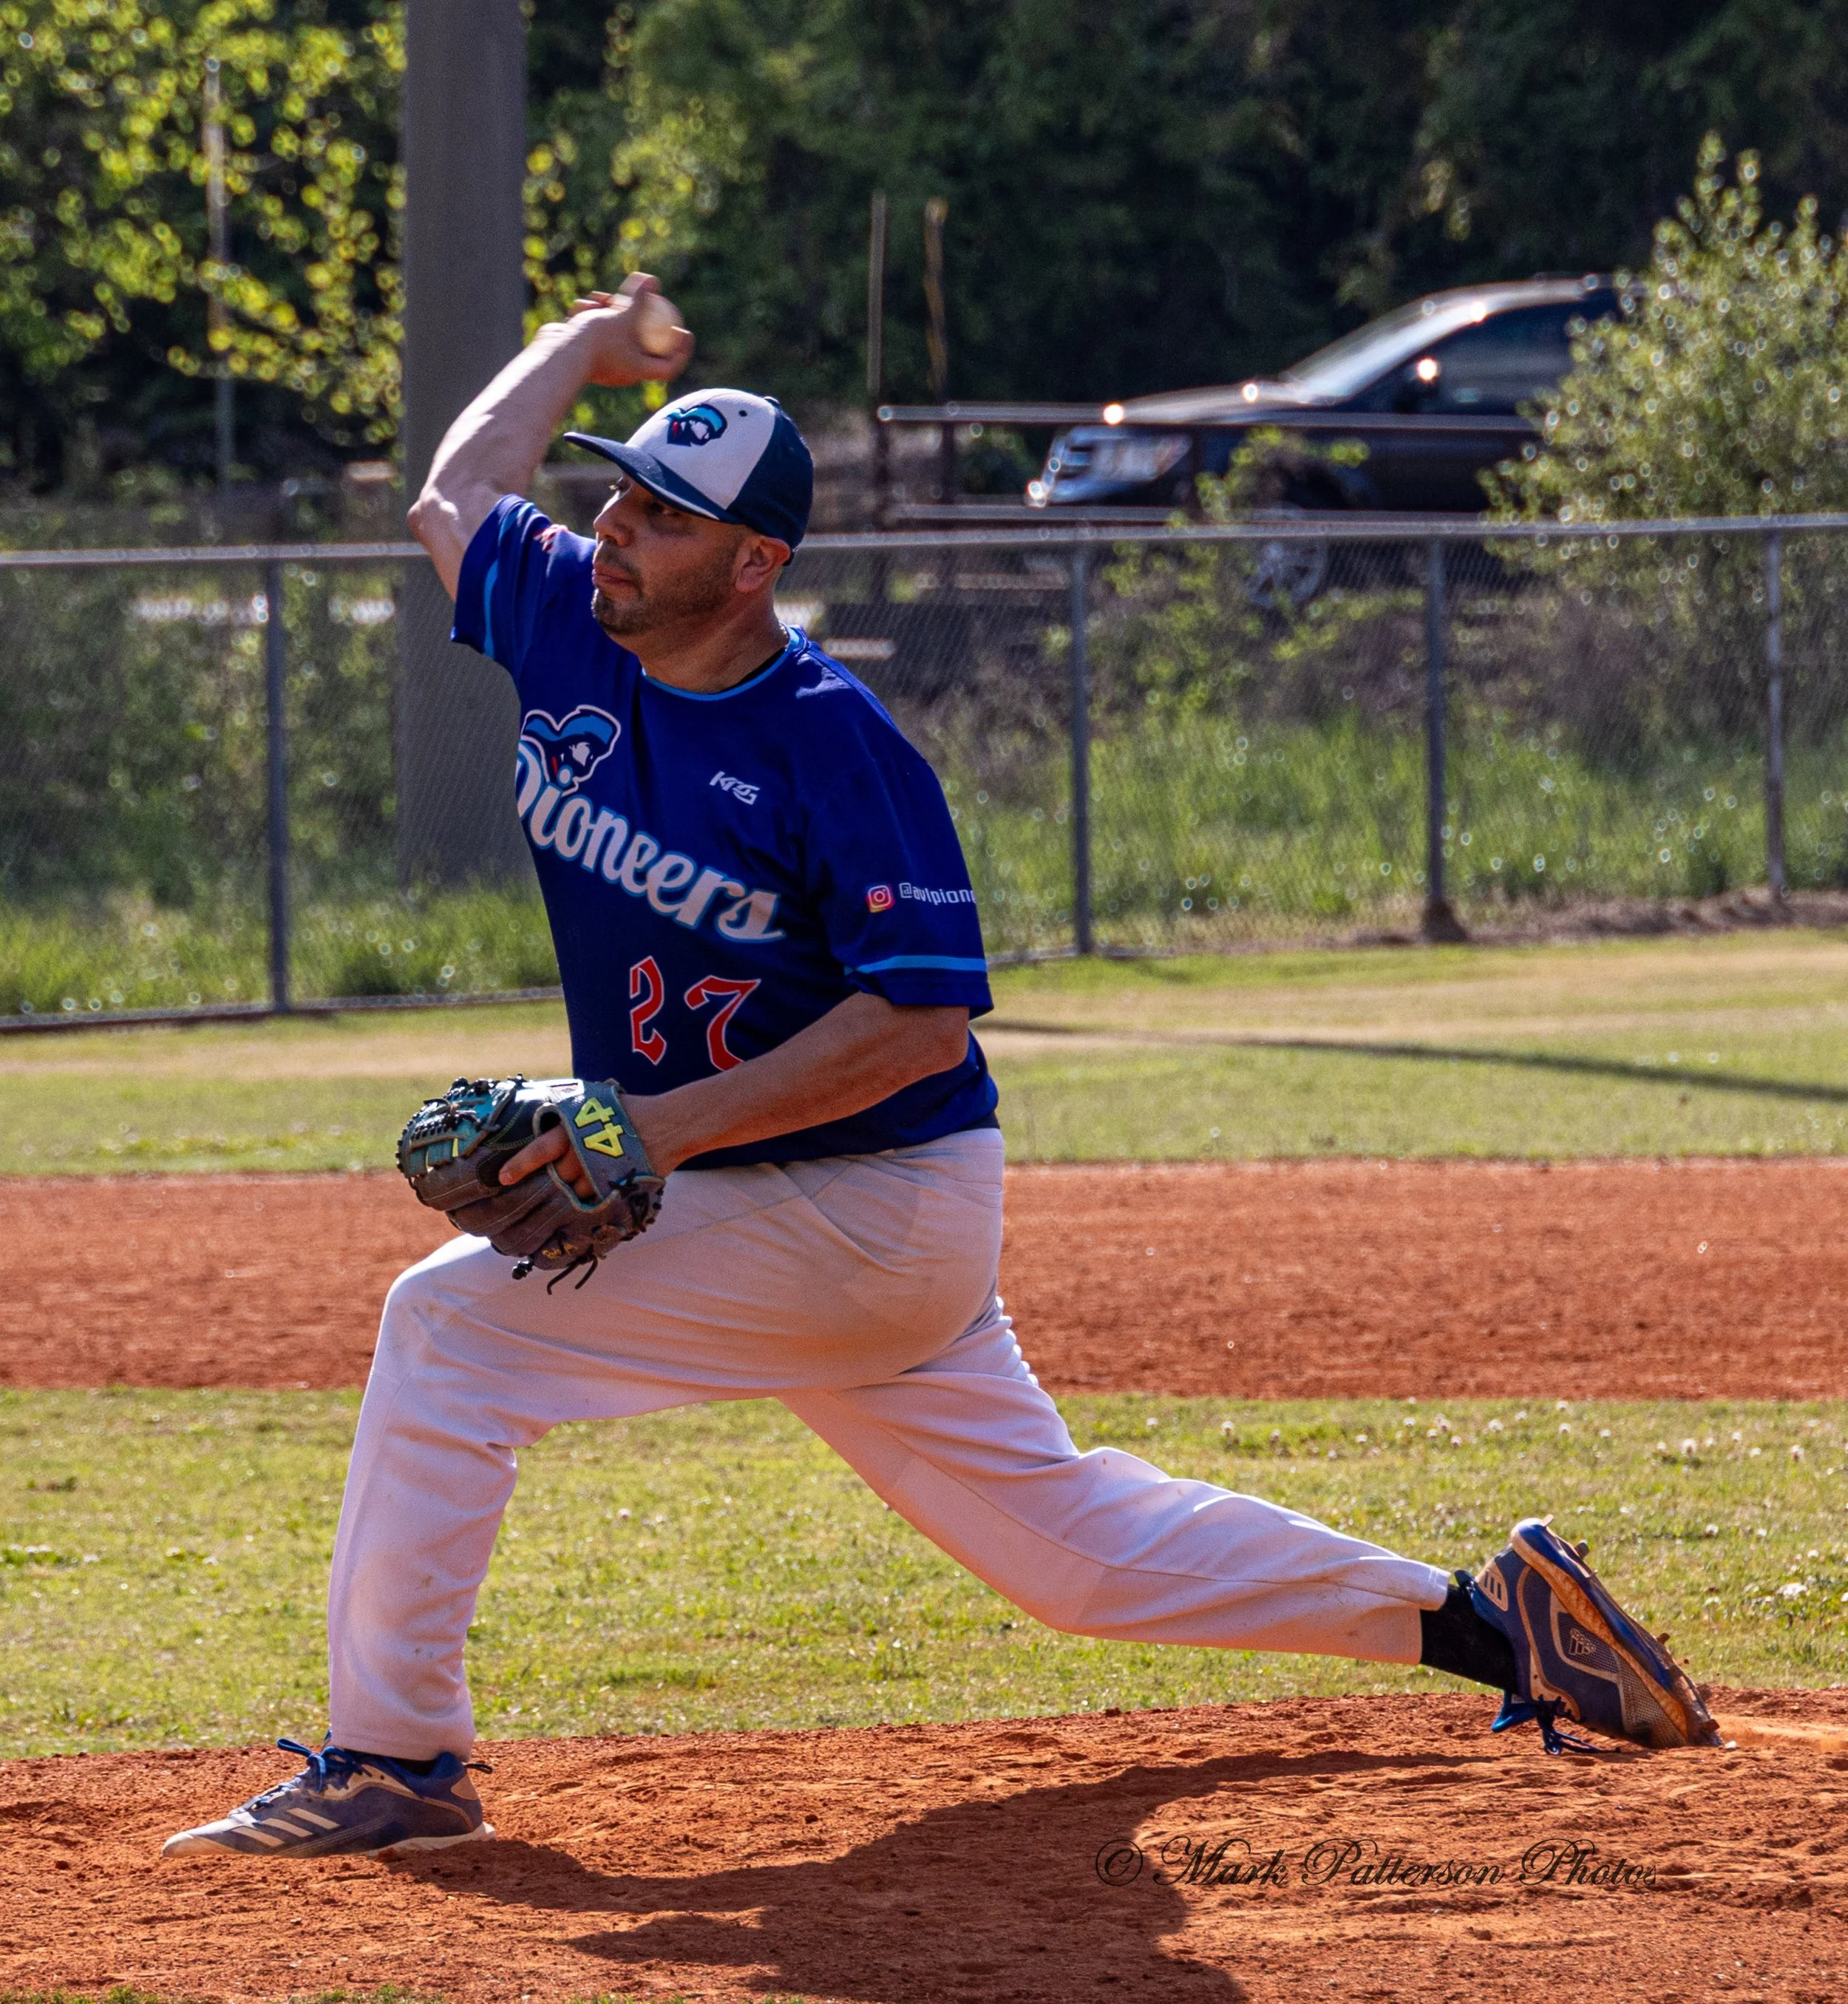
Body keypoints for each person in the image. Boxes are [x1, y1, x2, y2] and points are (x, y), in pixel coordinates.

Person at [164, 278, 1714, 1860]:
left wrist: (654, 1126)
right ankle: (1491, 1621)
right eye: (618, 492)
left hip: (868, 1199)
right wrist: (585, 345)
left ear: (753, 562)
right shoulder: (571, 612)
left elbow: (918, 1018)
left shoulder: (830, 740)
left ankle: (395, 1758)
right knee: (1068, 1557)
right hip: (771, 1200)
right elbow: (455, 487)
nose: (616, 526)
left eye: (664, 516)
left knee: (446, 1334)